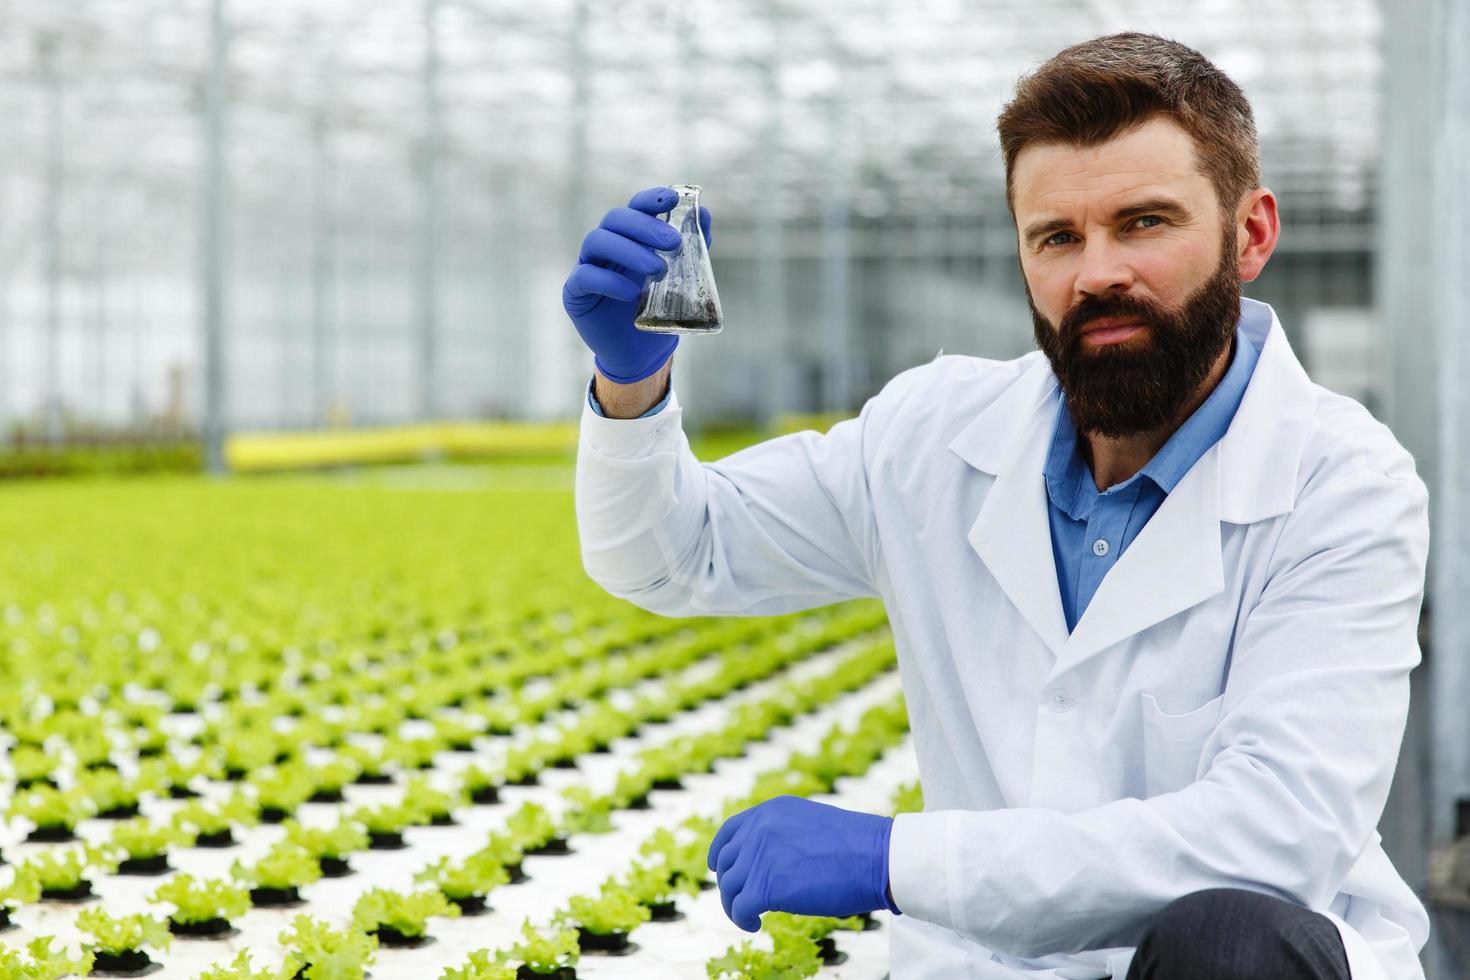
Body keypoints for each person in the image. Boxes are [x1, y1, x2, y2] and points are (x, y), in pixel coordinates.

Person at [561, 32, 1429, 980]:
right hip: (974, 965)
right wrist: (629, 384)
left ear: (1250, 233)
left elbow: (1270, 841)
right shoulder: (934, 435)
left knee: (1230, 945)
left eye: (1143, 222)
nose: (1096, 273)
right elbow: (674, 554)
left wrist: (893, 859)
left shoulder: (1340, 485)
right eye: (1057, 236)